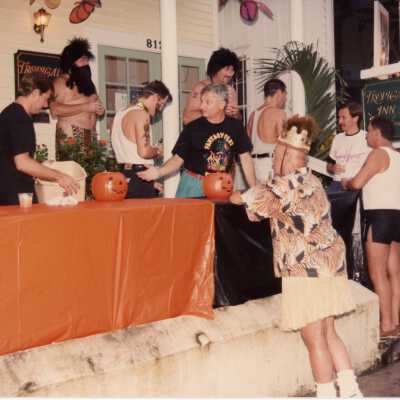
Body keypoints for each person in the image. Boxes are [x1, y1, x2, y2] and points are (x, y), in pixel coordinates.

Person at [231, 115, 362, 398]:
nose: (274, 159)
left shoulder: (286, 184)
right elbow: (266, 210)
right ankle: (351, 390)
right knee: (328, 332)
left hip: (307, 269)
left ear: (290, 157)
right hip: (330, 266)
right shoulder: (312, 180)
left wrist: (238, 195)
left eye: (277, 153)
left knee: (313, 337)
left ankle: (326, 392)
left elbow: (247, 201)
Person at [138, 83, 256, 197]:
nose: (201, 106)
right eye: (202, 101)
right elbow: (177, 160)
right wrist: (158, 172)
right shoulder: (192, 128)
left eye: (207, 102)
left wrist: (254, 189)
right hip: (193, 185)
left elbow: (246, 159)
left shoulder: (235, 127)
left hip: (221, 186)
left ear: (221, 105)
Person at [342, 117, 400, 339]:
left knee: (377, 273)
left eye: (368, 132)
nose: (366, 136)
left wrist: (346, 181)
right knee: (394, 273)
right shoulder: (397, 156)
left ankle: (385, 325)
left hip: (379, 217)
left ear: (377, 133)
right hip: (396, 216)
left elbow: (357, 183)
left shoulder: (378, 154)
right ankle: (395, 320)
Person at [0, 73, 79, 205]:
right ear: (36, 93)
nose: (45, 105)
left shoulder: (8, 113)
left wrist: (42, 167)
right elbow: (22, 163)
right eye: (45, 98)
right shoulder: (21, 118)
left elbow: (12, 158)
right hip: (15, 198)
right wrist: (60, 176)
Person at [111, 80, 172, 198]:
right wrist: (158, 151)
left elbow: (129, 151)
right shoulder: (141, 114)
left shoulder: (120, 113)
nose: (160, 110)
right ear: (154, 97)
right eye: (161, 104)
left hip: (124, 175)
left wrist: (150, 183)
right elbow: (143, 152)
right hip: (139, 176)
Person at [50, 37, 105, 151]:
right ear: (71, 63)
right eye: (82, 60)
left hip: (90, 136)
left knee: (90, 169)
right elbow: (55, 109)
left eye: (86, 60)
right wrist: (86, 107)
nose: (86, 64)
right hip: (71, 137)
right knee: (72, 169)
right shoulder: (60, 82)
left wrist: (100, 110)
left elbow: (97, 104)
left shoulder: (88, 84)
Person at [182, 47, 241, 125]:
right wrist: (218, 111)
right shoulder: (200, 88)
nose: (230, 74)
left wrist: (236, 114)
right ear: (216, 68)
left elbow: (238, 120)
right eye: (227, 69)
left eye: (232, 70)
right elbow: (187, 118)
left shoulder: (231, 90)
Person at [247, 78, 287, 184]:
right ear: (279, 93)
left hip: (254, 166)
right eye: (285, 95)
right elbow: (284, 145)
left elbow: (247, 145)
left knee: (260, 200)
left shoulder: (253, 114)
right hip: (271, 165)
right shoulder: (279, 113)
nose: (285, 99)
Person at [326, 102, 370, 193]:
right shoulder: (337, 138)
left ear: (355, 118)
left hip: (358, 185)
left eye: (343, 118)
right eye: (339, 117)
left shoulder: (367, 138)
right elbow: (329, 165)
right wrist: (333, 168)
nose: (340, 122)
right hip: (337, 184)